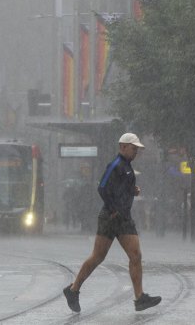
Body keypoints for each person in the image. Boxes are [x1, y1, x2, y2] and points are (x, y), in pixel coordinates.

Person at [63, 133, 161, 313]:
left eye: (137, 149)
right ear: (123, 147)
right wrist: (114, 208)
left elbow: (121, 188)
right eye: (134, 148)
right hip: (110, 217)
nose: (136, 152)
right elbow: (102, 187)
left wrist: (133, 190)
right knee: (97, 257)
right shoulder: (115, 165)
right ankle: (73, 290)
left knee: (136, 256)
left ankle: (140, 298)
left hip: (124, 218)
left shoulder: (128, 167)